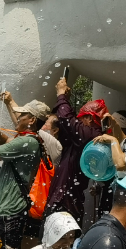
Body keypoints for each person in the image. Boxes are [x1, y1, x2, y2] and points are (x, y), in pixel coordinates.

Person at [0, 98, 49, 249]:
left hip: (10, 210)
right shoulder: (28, 140)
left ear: (32, 120)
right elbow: (3, 142)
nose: (18, 117)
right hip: (8, 209)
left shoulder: (27, 142)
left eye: (22, 115)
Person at [46, 76, 106, 220]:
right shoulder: (87, 136)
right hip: (66, 199)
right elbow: (66, 123)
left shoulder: (91, 136)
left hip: (65, 202)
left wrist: (61, 95)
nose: (78, 121)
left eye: (81, 118)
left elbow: (67, 120)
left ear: (90, 118)